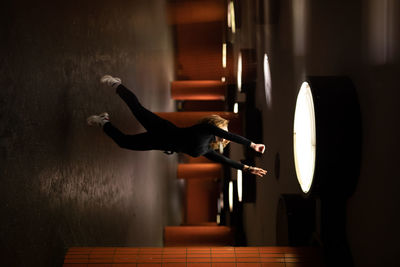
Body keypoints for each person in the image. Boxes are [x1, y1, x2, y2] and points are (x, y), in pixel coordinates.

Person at [87, 75, 268, 177]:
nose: (224, 136)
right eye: (223, 132)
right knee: (137, 109)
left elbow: (226, 161)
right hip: (163, 129)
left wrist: (247, 168)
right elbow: (231, 137)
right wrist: (251, 144)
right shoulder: (206, 129)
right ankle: (116, 83)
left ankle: (104, 121)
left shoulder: (207, 151)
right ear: (217, 126)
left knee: (124, 143)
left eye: (224, 135)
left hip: (159, 143)